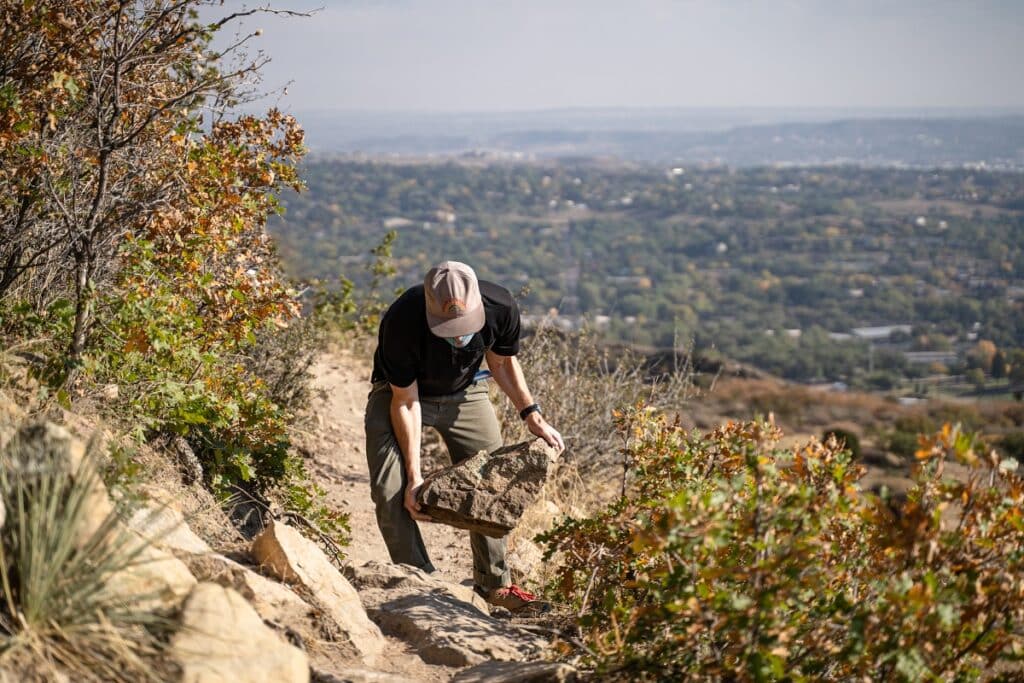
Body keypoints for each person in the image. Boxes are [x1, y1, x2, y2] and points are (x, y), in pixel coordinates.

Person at [364, 260, 565, 612]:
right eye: (448, 327)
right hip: (402, 394)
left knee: (492, 485)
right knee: (390, 489)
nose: (459, 334)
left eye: (465, 324)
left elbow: (501, 363)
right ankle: (419, 580)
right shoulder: (402, 320)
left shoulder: (501, 307)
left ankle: (494, 585)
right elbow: (406, 402)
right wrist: (415, 476)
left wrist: (531, 414)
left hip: (465, 392)